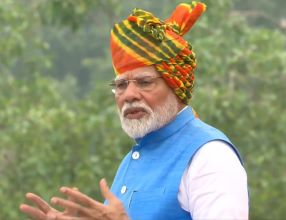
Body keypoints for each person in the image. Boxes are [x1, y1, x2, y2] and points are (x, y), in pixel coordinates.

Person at [20, 2, 249, 219]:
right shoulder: (134, 158)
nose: (129, 95)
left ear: (175, 86)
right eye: (120, 85)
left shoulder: (210, 156)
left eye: (144, 82)